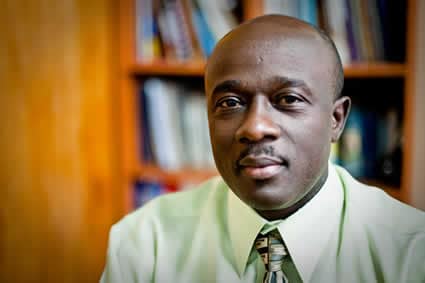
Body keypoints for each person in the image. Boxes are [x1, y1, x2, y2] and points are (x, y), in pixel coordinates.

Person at [101, 15, 425, 282]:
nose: (255, 128)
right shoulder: (145, 245)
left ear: (336, 120)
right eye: (229, 103)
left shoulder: (411, 252)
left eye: (289, 100)